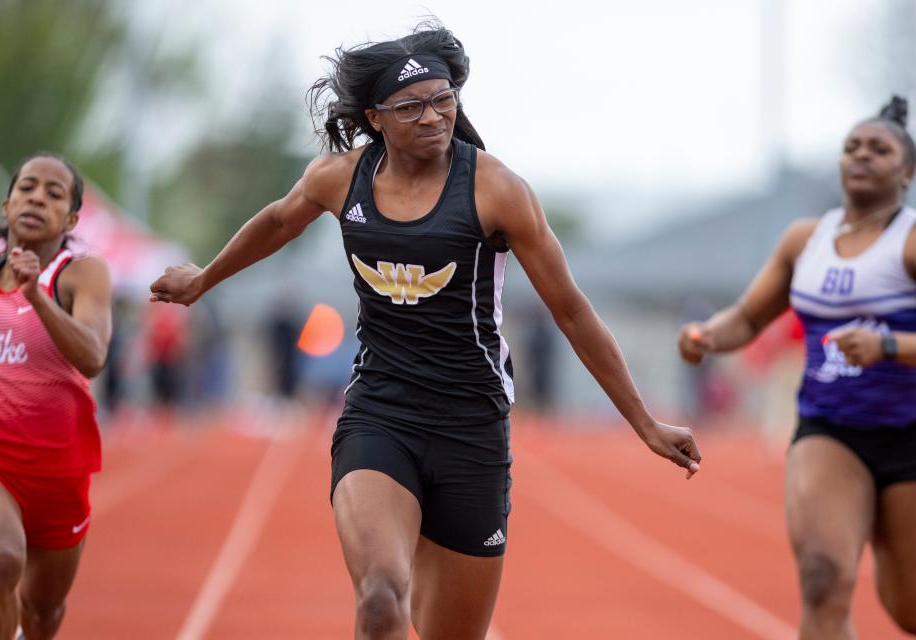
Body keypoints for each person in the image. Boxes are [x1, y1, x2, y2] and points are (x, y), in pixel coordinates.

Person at [151, 21, 700, 640]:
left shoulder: (497, 190)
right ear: (374, 117)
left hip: (472, 426)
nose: (434, 117)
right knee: (382, 601)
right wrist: (204, 279)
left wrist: (645, 422)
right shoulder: (339, 178)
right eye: (411, 107)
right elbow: (278, 223)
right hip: (380, 414)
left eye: (444, 100)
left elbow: (572, 311)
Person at [678, 96, 916, 639]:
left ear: (906, 171)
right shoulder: (805, 240)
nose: (861, 156)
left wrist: (889, 347)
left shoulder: (910, 241)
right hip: (829, 431)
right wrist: (707, 336)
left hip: (908, 433)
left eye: (878, 149)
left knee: (909, 608)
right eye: (851, 147)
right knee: (822, 577)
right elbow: (748, 316)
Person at [0, 153, 112, 640]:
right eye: (27, 187)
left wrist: (36, 296)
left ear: (69, 219)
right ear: (6, 206)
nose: (36, 198)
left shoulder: (81, 276)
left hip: (59, 476)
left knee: (42, 613)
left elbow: (92, 356)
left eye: (53, 192)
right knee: (3, 556)